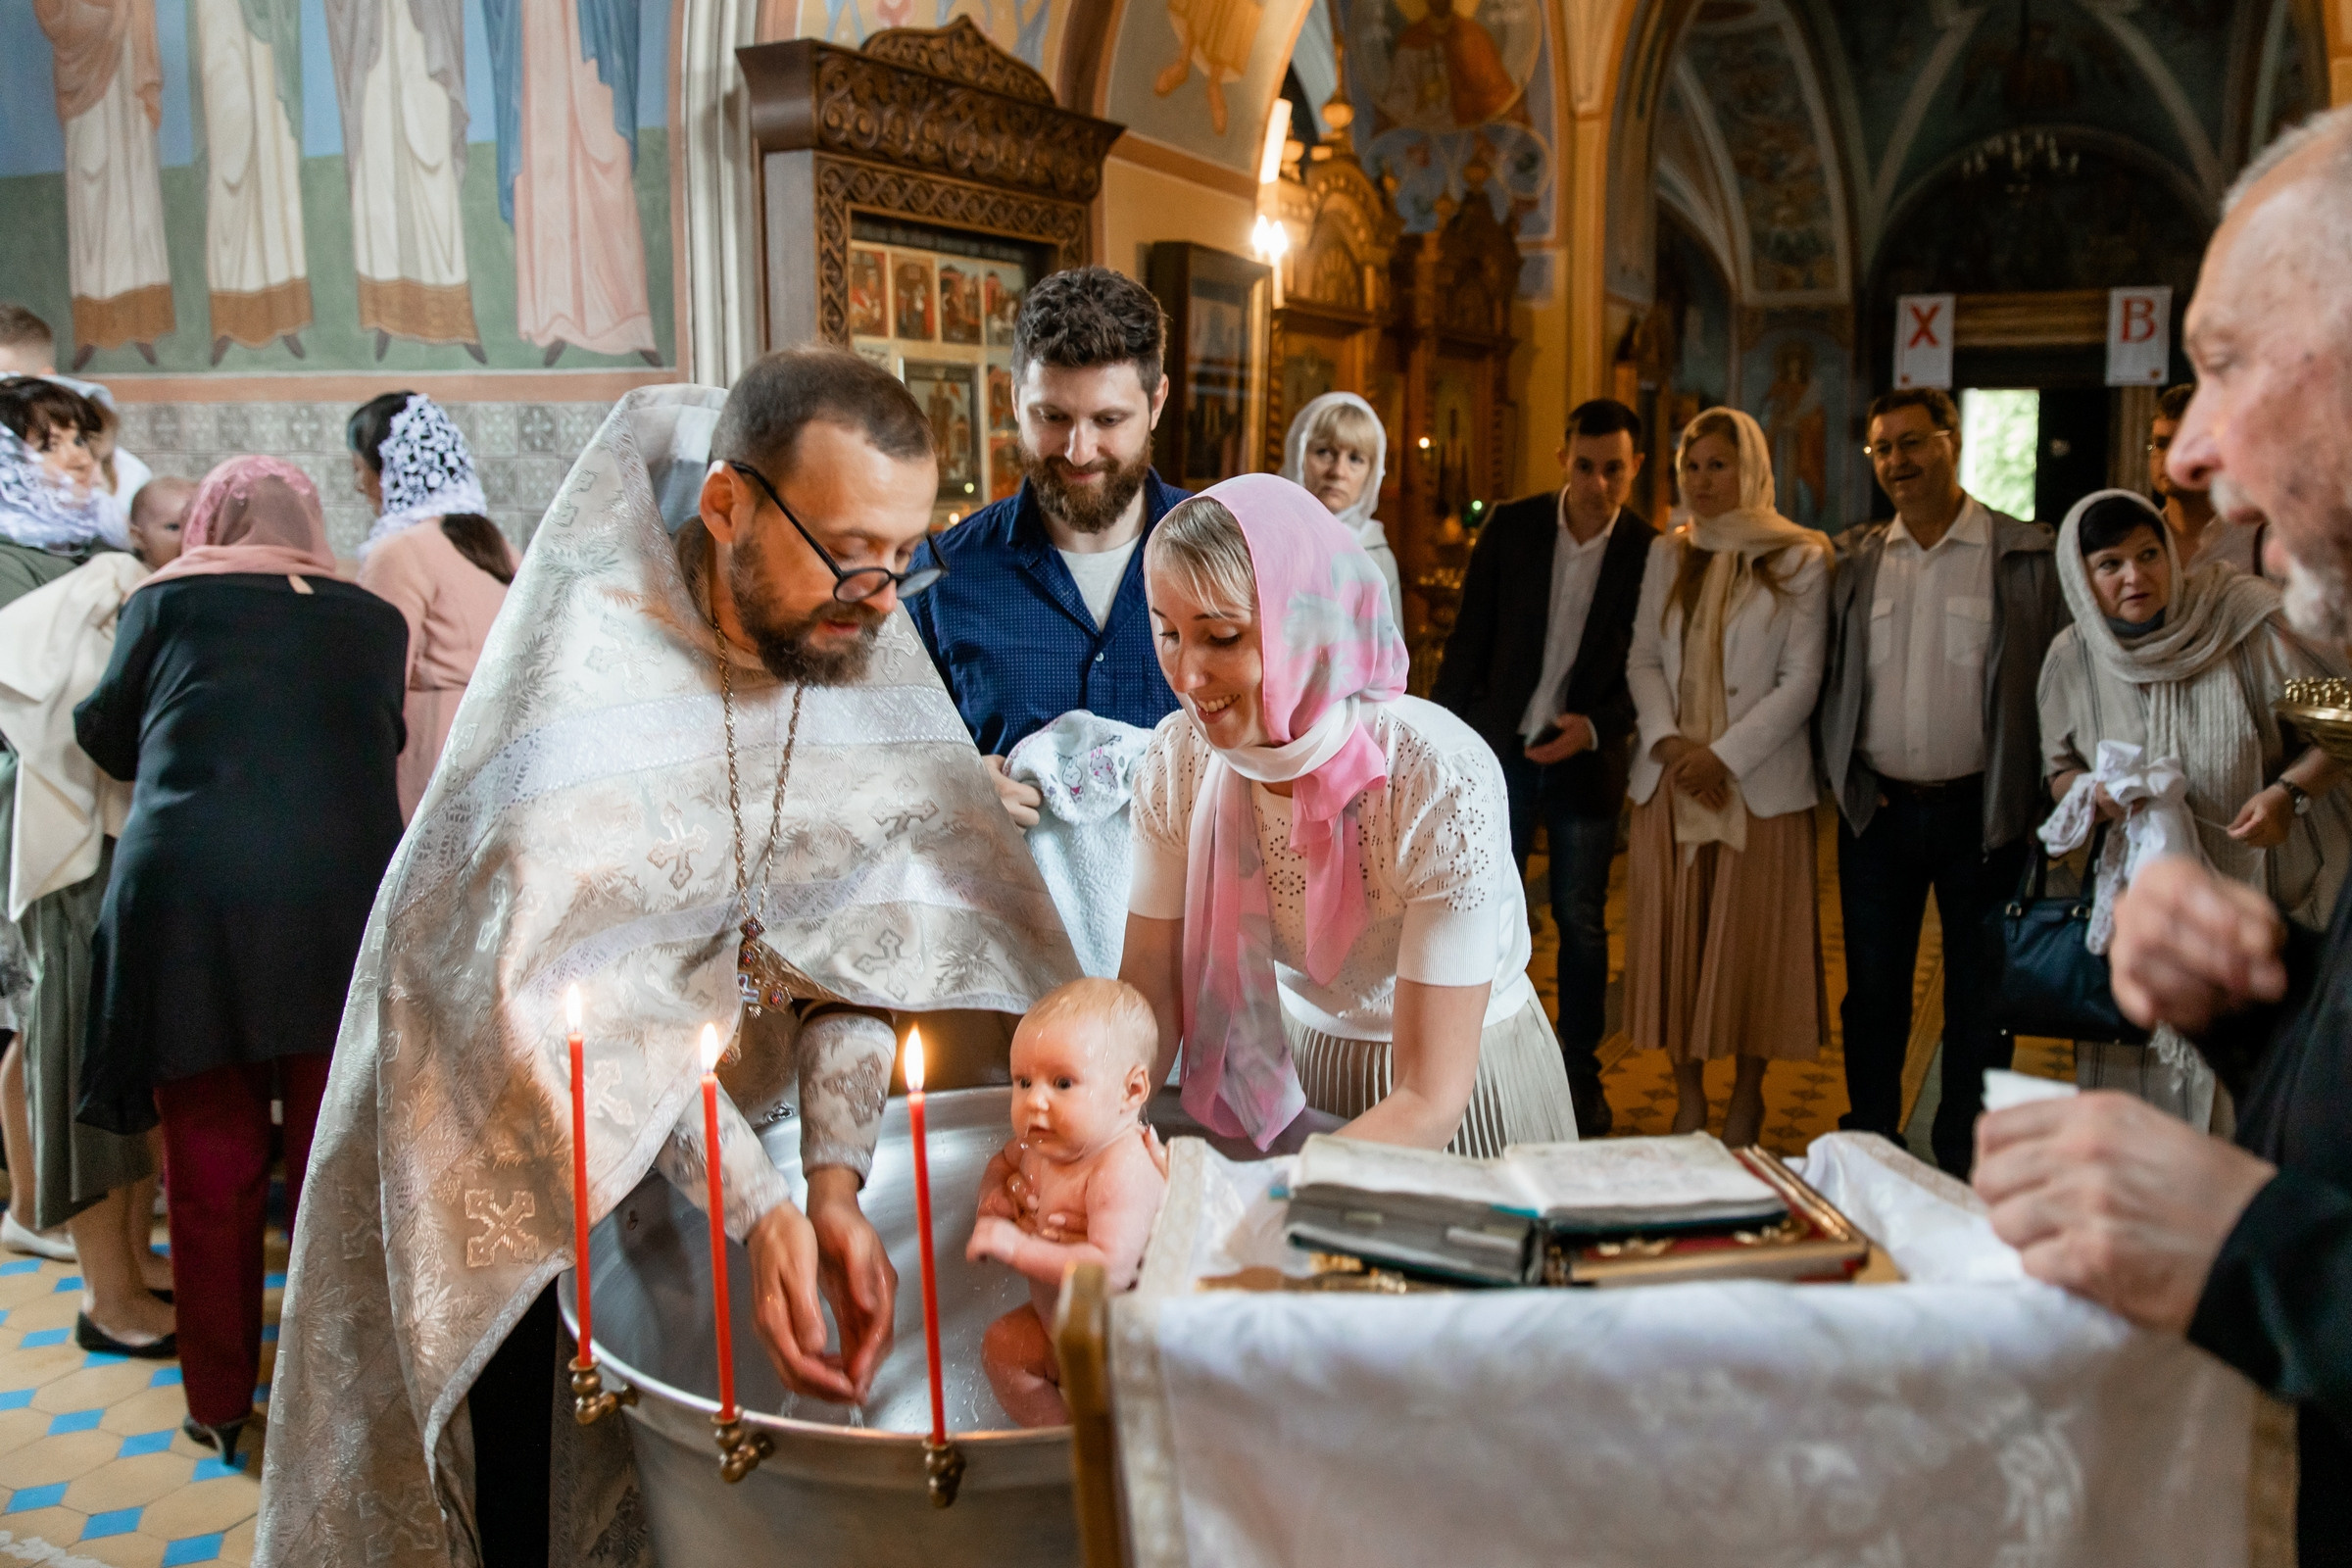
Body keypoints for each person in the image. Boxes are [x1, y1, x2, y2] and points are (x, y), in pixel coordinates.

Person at [255, 359, 1079, 1568]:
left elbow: (863, 951)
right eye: (848, 552)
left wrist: (833, 1183)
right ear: (730, 505)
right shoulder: (587, 674)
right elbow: (570, 1018)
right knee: (534, 1492)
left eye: (905, 557)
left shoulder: (850, 643)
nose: (878, 601)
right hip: (513, 1171)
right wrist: (761, 1210)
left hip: (726, 1153)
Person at [1972, 104, 2352, 1564]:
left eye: (2228, 360)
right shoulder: (2077, 654)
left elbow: (2340, 731)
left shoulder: (2267, 631)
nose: (2188, 451)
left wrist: (2252, 1249)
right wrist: (2268, 1002)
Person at [73, 456, 406, 1458]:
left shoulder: (164, 603)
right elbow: (381, 737)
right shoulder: (373, 618)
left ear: (209, 523)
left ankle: (219, 1402)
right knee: (328, 1163)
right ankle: (330, 1401)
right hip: (340, 898)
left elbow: (109, 736)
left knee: (211, 1161)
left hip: (192, 900)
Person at [1122, 474, 1576, 1156]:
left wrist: (1262, 1196)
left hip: (1459, 1093)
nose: (1185, 675)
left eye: (1221, 636)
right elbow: (1150, 995)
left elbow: (1428, 1099)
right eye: (1167, 632)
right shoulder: (1177, 762)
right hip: (1298, 1073)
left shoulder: (1435, 781)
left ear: (1305, 628)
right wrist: (1093, 1128)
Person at [2035, 486, 2348, 1129]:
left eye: (2149, 554)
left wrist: (2289, 794)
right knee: (2143, 1118)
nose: (2135, 576)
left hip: (2260, 906)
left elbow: (2344, 724)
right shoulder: (2072, 659)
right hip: (2140, 924)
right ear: (2080, 576)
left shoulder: (2250, 624)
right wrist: (2093, 795)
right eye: (2110, 564)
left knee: (2255, 1109)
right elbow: (2057, 772)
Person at [1817, 386, 2063, 1176]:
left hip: (1983, 815)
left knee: (1981, 998)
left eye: (1913, 442)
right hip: (1880, 814)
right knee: (1872, 993)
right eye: (1883, 448)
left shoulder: (2017, 556)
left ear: (1951, 441)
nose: (1898, 461)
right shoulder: (1856, 560)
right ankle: (1870, 1146)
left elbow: (2060, 678)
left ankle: (1963, 1158)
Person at [1432, 398, 1654, 1137]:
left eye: (1614, 470)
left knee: (1580, 919)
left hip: (1584, 760)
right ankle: (1481, 1064)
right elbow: (1470, 638)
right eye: (1585, 467)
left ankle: (1580, 1073)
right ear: (1564, 459)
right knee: (1480, 910)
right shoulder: (1515, 526)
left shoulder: (1649, 551)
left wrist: (1596, 729)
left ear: (1636, 467)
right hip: (1500, 754)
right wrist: (1442, 743)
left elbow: (1653, 668)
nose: (1598, 484)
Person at [0, 387, 169, 1348]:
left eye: (79, 440)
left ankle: (137, 1258)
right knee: (74, 1042)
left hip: (121, 816)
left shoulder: (87, 549)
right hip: (53, 825)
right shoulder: (9, 557)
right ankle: (106, 1293)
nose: (75, 457)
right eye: (47, 443)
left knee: (127, 1037)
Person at [907, 267, 1187, 824]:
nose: (1079, 451)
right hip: (1004, 881)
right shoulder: (940, 577)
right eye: (1052, 417)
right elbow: (887, 760)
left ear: (1156, 401)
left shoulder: (1231, 555)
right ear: (1015, 399)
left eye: (1108, 419)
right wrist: (946, 786)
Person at [1621, 407, 1829, 1148]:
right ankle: (1687, 1099)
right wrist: (1672, 744)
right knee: (1677, 947)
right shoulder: (1668, 553)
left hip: (1758, 789)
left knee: (1750, 950)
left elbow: (1801, 679)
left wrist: (1725, 756)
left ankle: (1747, 1097)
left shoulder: (1801, 557)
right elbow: (1644, 658)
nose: (1703, 480)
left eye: (1719, 464)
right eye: (1692, 465)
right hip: (1673, 785)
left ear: (1753, 470)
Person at [968, 976, 1164, 1428]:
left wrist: (1018, 1248)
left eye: (1062, 1082)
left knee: (1137, 1425)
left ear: (1132, 1091)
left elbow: (1110, 1271)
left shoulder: (1120, 1167)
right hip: (1062, 1328)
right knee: (1003, 1348)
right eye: (1023, 1081)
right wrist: (991, 1197)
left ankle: (1111, 1447)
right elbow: (1001, 1161)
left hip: (1127, 1350)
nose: (1035, 1101)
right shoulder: (1043, 1147)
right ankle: (1060, 1446)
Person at [349, 391, 517, 819]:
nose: (358, 485)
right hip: (502, 747)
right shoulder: (494, 544)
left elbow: (380, 674)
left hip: (436, 749)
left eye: (358, 468)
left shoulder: (399, 552)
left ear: (389, 470)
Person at [1280, 391, 1402, 627]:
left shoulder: (1377, 557)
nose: (1338, 472)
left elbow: (1389, 648)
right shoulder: (1265, 535)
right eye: (1324, 452)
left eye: (1355, 459)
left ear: (1372, 473)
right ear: (1297, 454)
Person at [126, 473, 190, 567]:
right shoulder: (120, 568)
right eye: (174, 527)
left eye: (196, 525)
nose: (189, 534)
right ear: (139, 538)